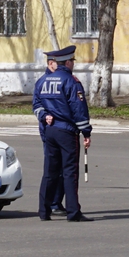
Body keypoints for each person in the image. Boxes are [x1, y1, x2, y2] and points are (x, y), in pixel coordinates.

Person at [31, 44, 93, 221]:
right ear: (66, 62)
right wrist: (86, 132)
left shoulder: (42, 81)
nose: (73, 63)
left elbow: (36, 104)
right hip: (66, 131)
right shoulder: (71, 81)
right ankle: (73, 213)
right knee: (70, 173)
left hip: (49, 131)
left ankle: (44, 211)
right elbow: (78, 109)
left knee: (49, 172)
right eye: (72, 61)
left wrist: (44, 116)